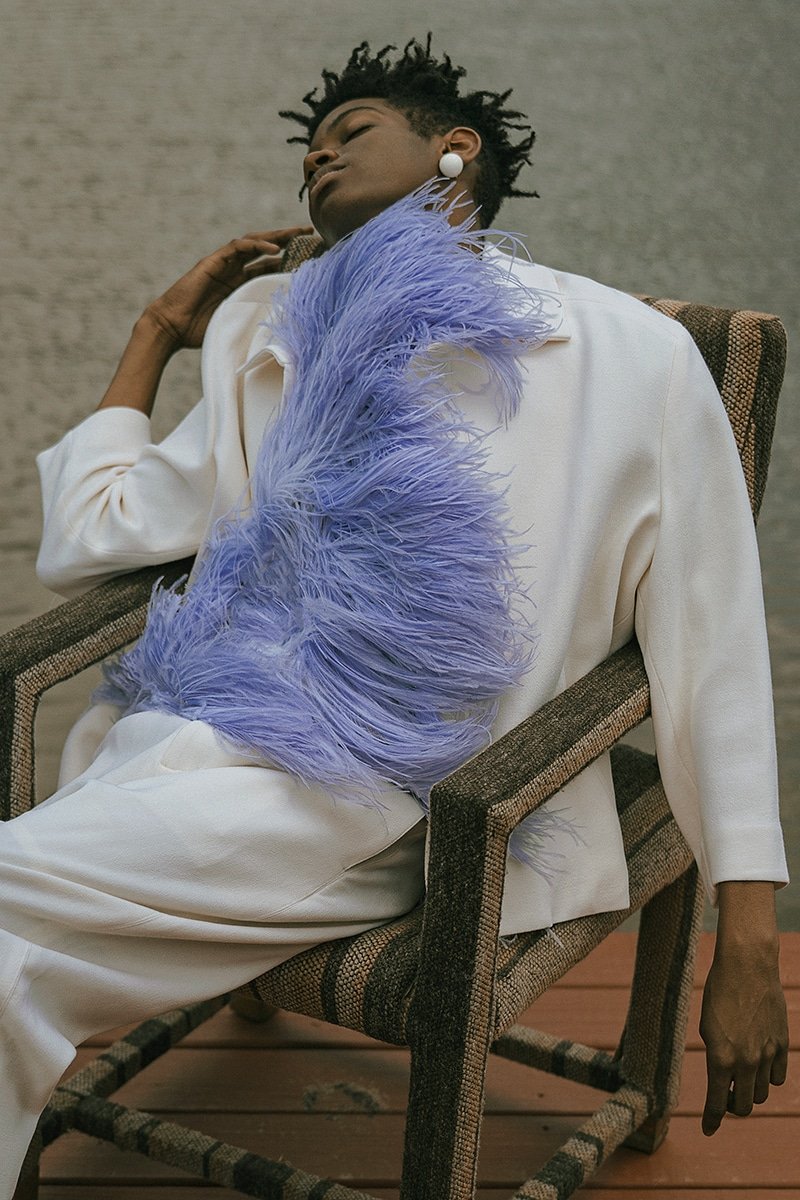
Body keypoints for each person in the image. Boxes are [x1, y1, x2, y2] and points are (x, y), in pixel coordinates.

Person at [1, 35, 790, 1194]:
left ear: (451, 149)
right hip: (196, 738)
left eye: (351, 130)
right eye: (307, 147)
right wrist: (156, 333)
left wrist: (748, 940)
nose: (315, 155)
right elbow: (99, 530)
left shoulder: (626, 356)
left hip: (399, 801)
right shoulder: (274, 333)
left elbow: (710, 645)